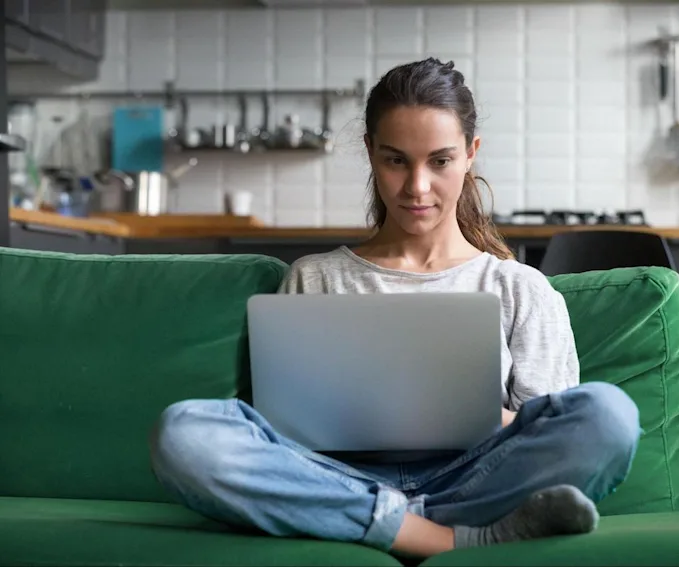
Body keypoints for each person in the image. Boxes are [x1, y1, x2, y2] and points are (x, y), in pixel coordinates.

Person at [148, 57, 641, 559]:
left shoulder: (519, 287)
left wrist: (473, 415)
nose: (417, 187)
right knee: (184, 433)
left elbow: (546, 429)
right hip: (338, 477)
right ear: (370, 152)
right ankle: (440, 537)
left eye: (440, 161)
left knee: (609, 415)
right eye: (397, 159)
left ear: (471, 155)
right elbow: (284, 430)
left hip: (473, 479)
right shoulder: (315, 277)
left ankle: (367, 524)